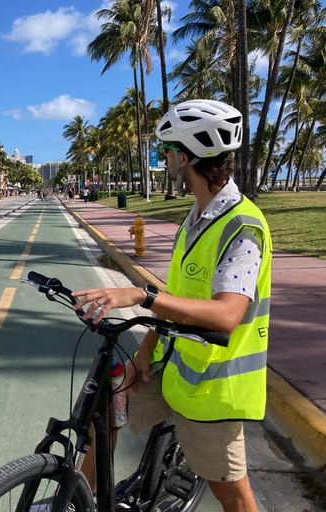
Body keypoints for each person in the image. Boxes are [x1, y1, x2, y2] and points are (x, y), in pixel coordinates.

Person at [73, 100, 272, 512]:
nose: (164, 161)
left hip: (213, 390)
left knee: (232, 495)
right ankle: (82, 502)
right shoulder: (196, 216)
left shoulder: (242, 227)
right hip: (173, 369)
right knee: (107, 405)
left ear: (184, 157)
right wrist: (144, 351)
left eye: (166, 152)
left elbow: (227, 314)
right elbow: (180, 295)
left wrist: (143, 296)